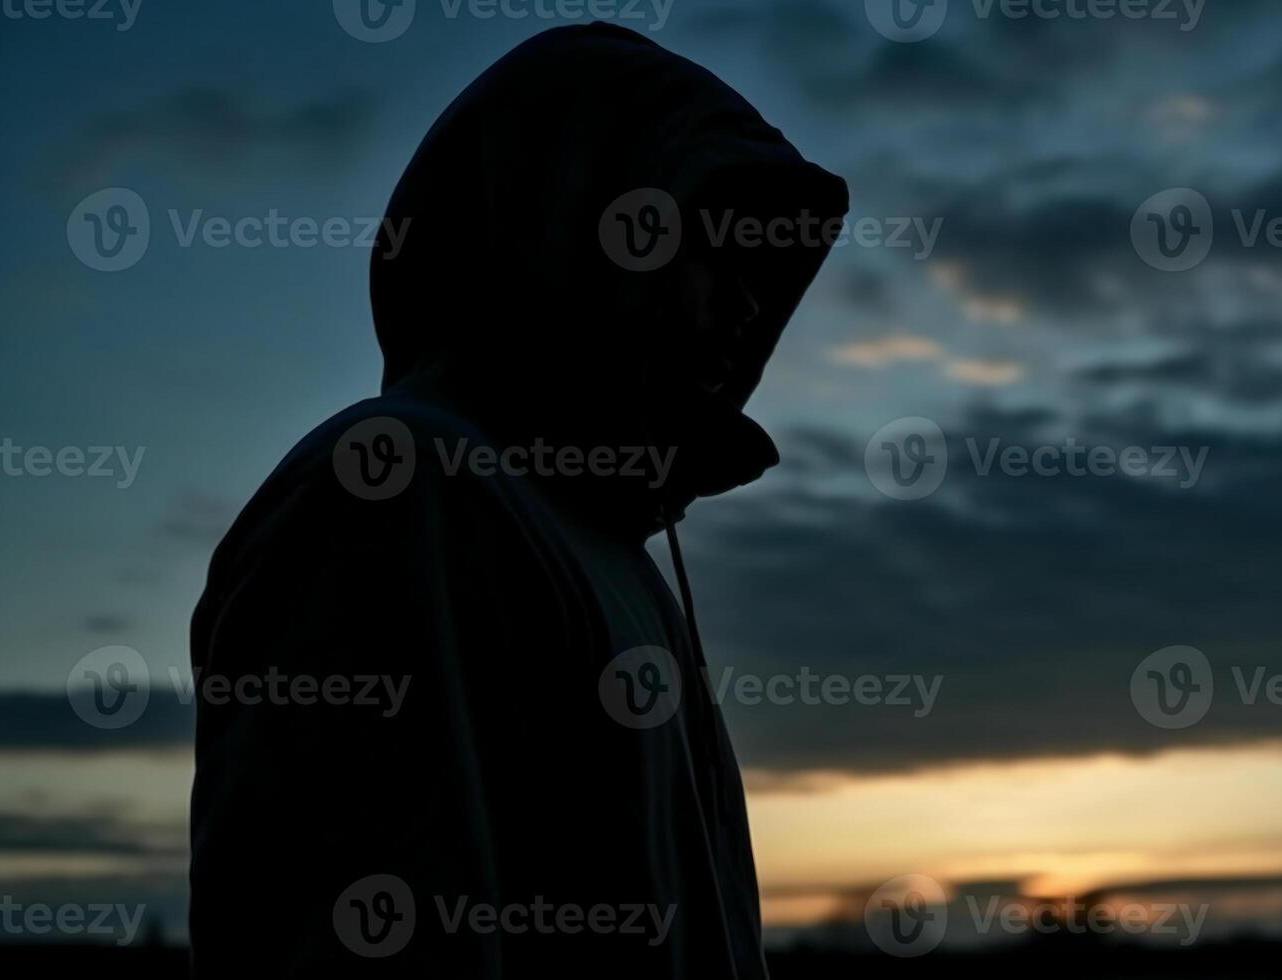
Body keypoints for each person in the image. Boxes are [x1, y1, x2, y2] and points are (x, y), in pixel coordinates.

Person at [188, 23, 847, 977]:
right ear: (576, 216)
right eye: (712, 251)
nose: (748, 310)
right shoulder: (398, 490)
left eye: (762, 274)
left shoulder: (613, 555)